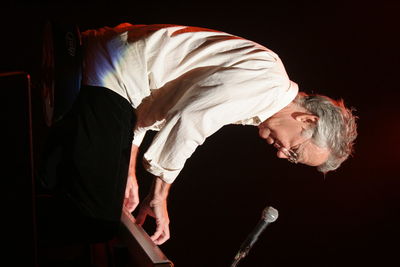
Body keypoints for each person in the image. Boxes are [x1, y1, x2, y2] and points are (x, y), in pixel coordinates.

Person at [38, 22, 357, 246]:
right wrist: (160, 195)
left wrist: (130, 170)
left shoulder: (260, 101)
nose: (280, 153)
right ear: (306, 120)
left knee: (55, 179)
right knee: (96, 217)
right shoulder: (267, 84)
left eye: (289, 158)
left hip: (123, 83)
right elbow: (190, 121)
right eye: (294, 151)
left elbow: (156, 112)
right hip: (114, 72)